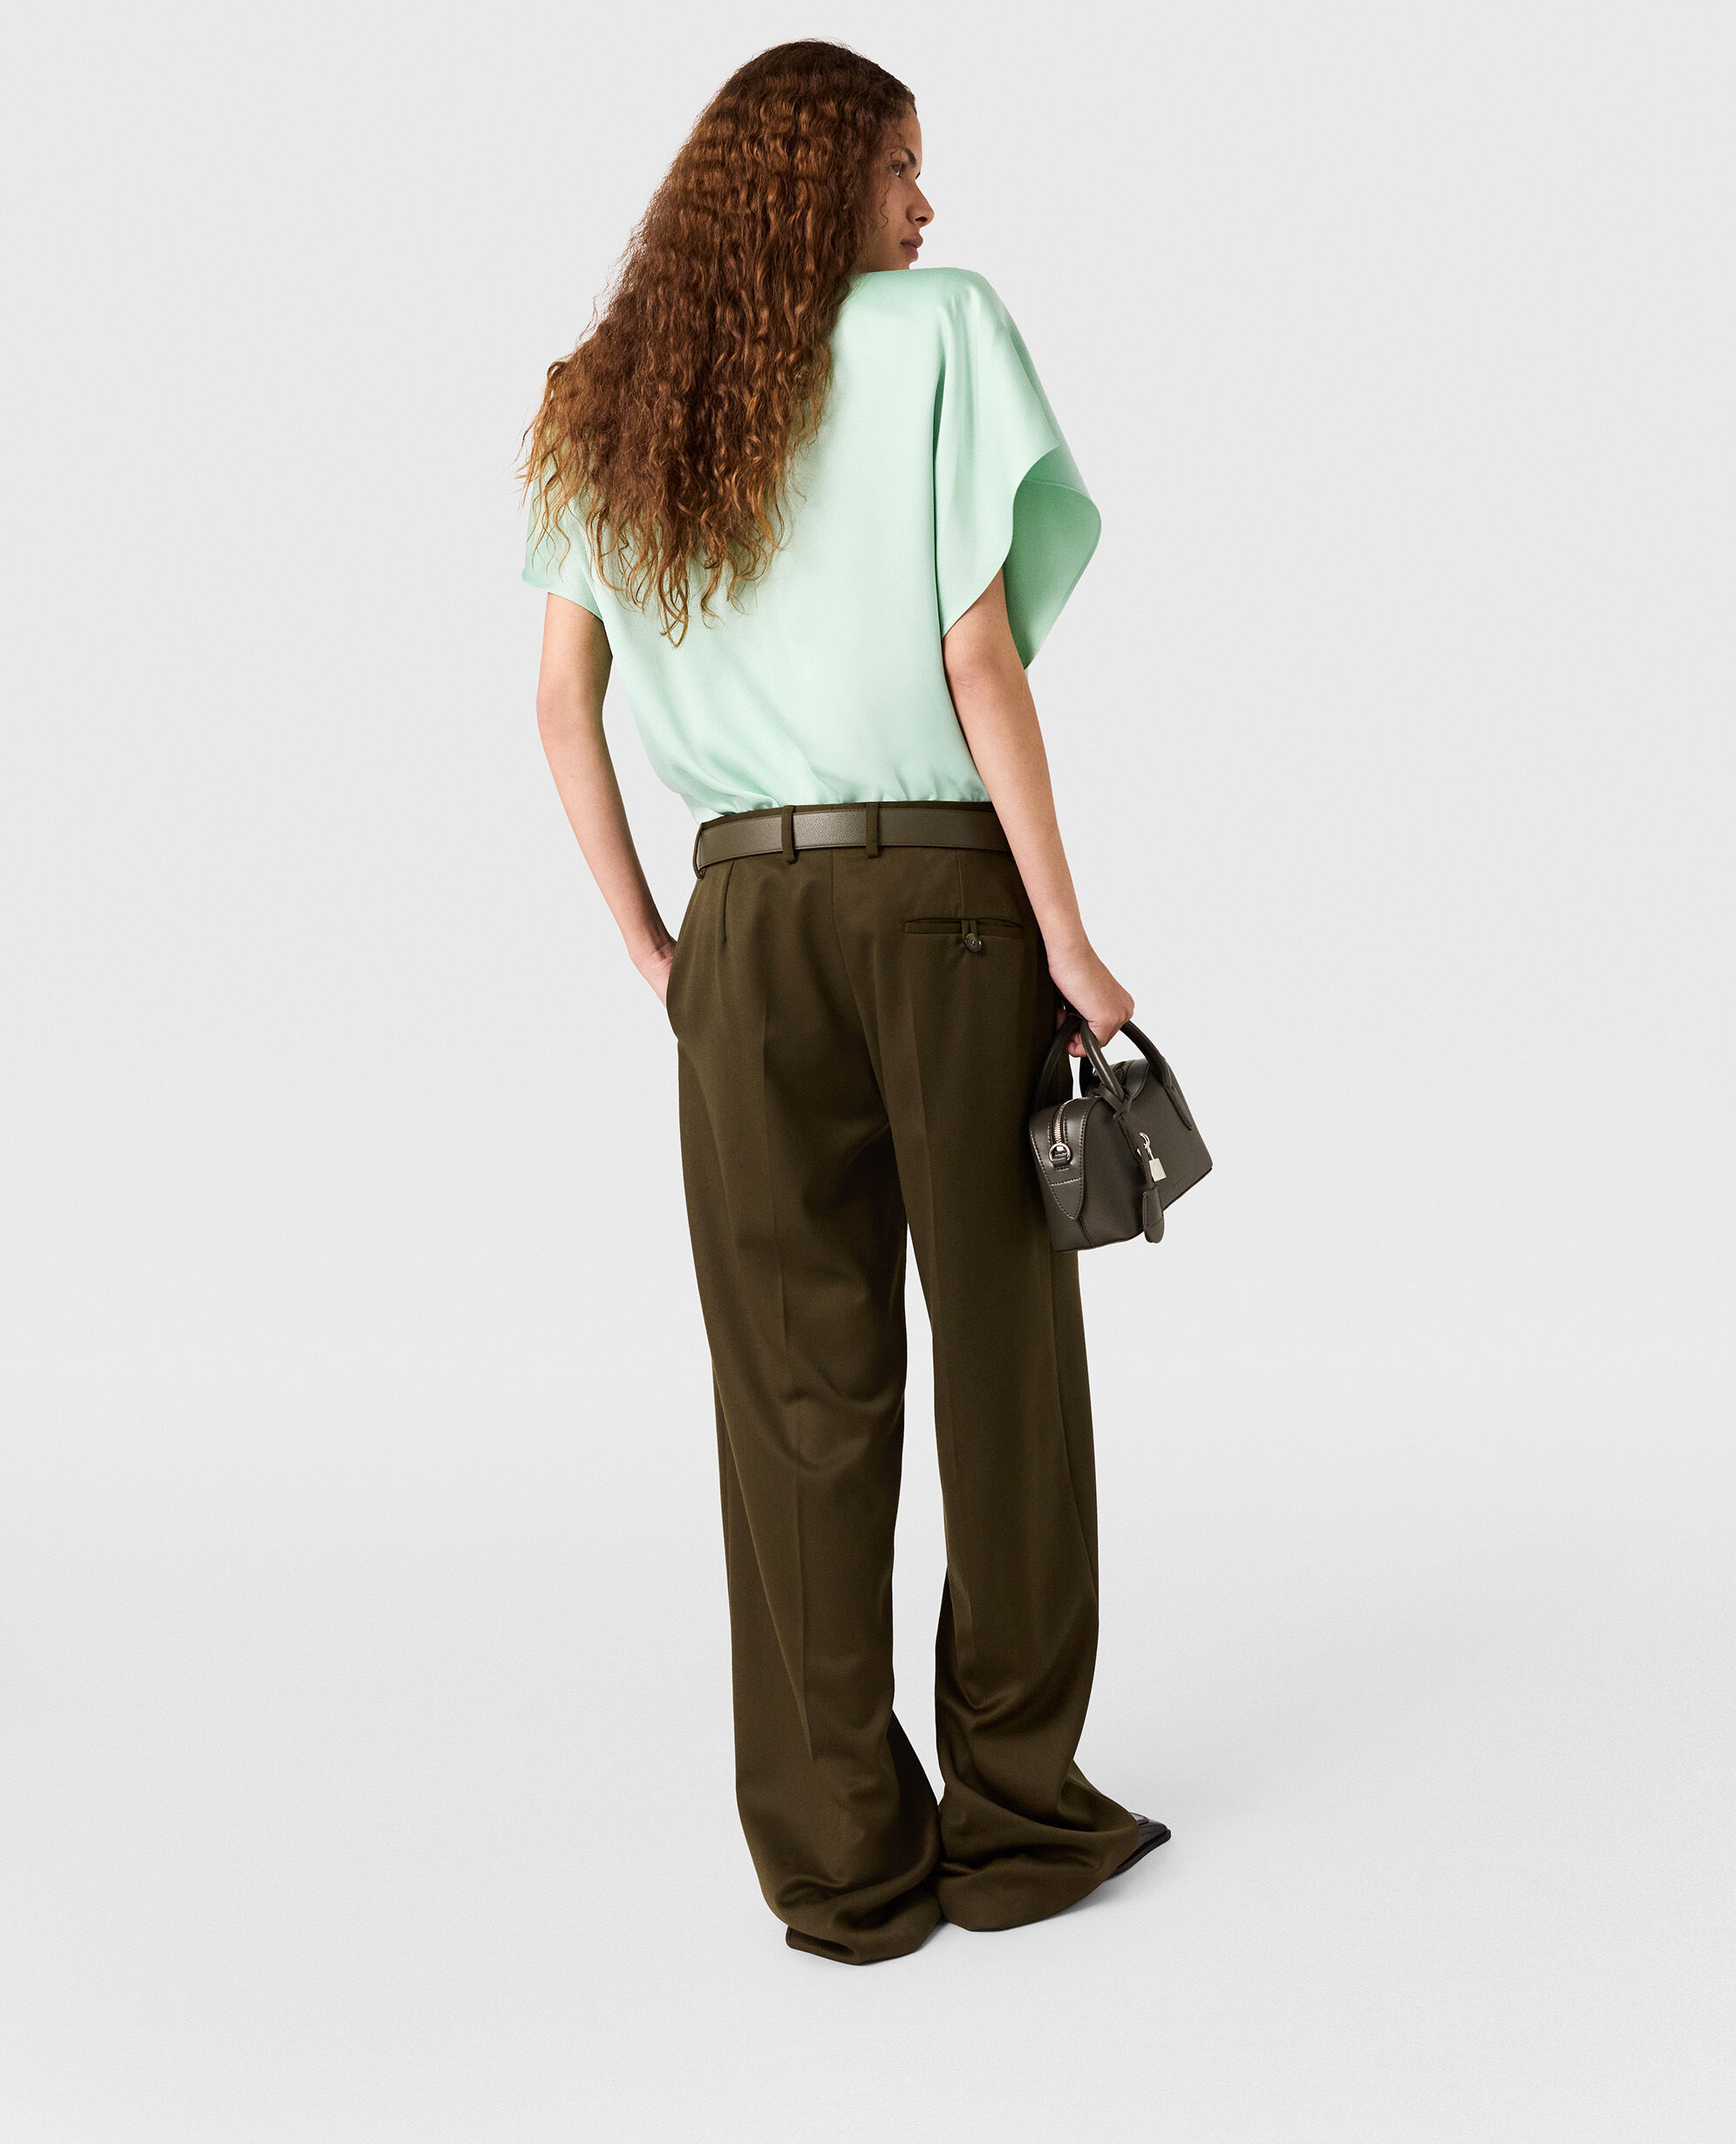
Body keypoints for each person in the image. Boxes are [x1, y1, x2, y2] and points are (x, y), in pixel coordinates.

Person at [518, 39, 1168, 1964]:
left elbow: (559, 707)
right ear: (820, 181)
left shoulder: (606, 397)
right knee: (1006, 1352)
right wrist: (1069, 938)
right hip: (947, 903)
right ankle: (1017, 1819)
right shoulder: (938, 331)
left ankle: (839, 1866)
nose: (924, 205)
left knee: (795, 1391)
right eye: (900, 165)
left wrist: (659, 950)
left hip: (740, 922)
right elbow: (978, 655)